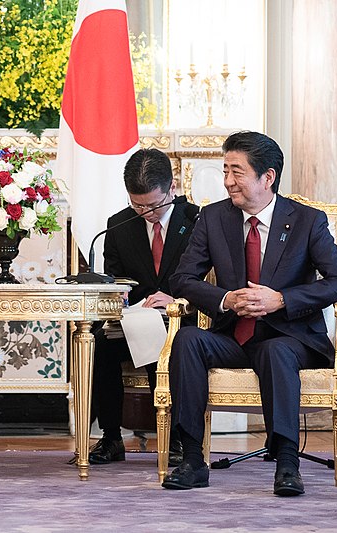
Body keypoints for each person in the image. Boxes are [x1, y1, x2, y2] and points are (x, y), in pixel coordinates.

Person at [162, 131, 337, 496]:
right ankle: (191, 459)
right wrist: (226, 299)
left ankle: (286, 462)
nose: (228, 181)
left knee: (275, 350)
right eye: (225, 171)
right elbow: (182, 279)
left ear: (268, 177)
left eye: (237, 172)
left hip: (290, 337)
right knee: (187, 339)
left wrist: (281, 299)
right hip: (233, 335)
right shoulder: (213, 217)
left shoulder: (306, 221)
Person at [89, 148, 199, 465]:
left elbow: (208, 277)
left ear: (172, 189)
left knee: (166, 346)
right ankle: (110, 437)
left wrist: (180, 300)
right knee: (96, 343)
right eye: (137, 205)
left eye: (153, 205)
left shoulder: (197, 220)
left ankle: (176, 437)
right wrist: (118, 296)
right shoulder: (118, 226)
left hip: (181, 319)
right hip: (132, 320)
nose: (146, 213)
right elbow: (113, 278)